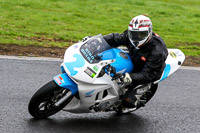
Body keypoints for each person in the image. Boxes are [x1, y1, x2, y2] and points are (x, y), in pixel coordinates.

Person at [102, 15, 168, 108]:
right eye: (133, 34)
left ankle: (138, 99)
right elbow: (115, 38)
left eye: (141, 35)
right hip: (134, 60)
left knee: (128, 102)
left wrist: (129, 76)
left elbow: (148, 75)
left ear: (149, 32)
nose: (136, 37)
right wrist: (97, 41)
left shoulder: (157, 51)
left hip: (148, 72)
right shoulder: (129, 36)